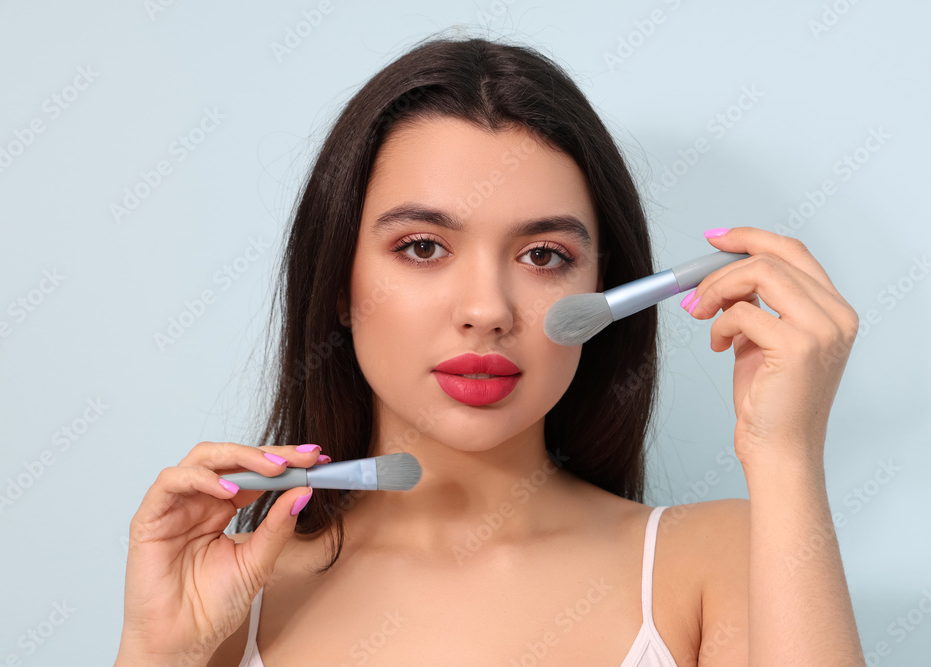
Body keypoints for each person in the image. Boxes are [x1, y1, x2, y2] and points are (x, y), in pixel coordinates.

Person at [114, 34, 865, 666]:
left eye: (543, 255)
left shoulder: (714, 563)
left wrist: (787, 454)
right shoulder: (231, 604)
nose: (486, 310)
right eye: (421, 247)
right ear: (339, 279)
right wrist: (154, 650)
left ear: (606, 287)